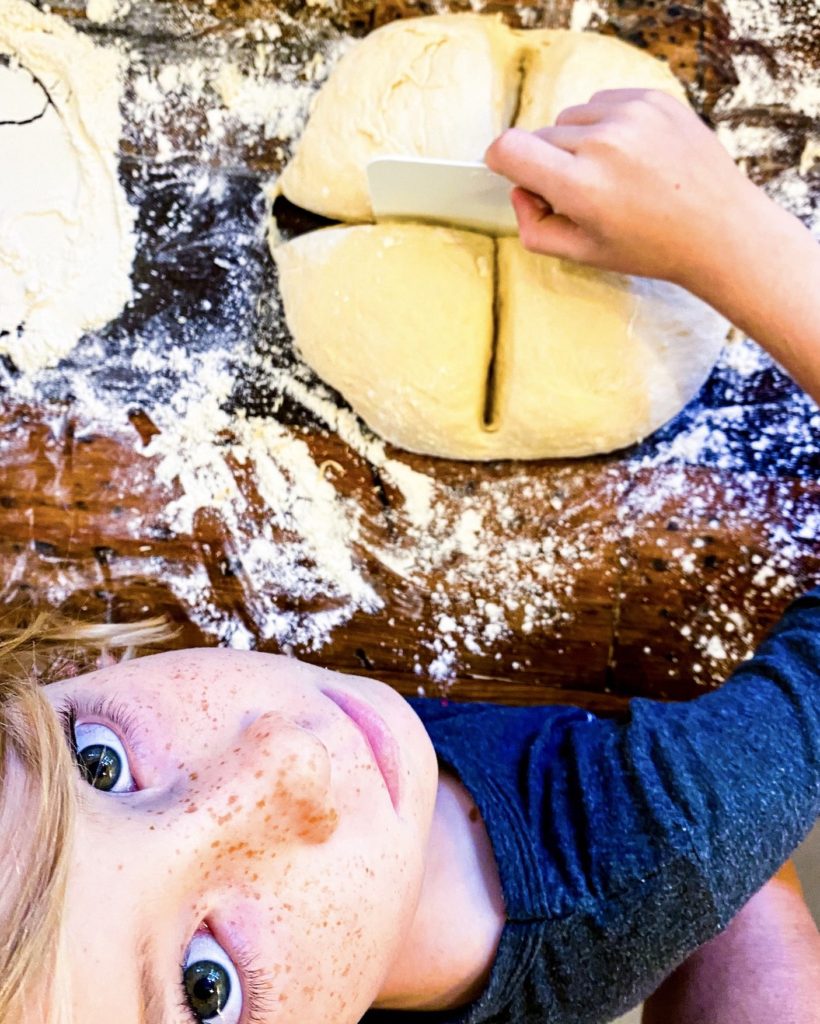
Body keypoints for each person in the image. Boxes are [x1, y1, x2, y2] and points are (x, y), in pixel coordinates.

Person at [1, 90, 819, 1024]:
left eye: (98, 764)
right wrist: (738, 242)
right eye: (206, 983)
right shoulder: (663, 837)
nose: (286, 764)